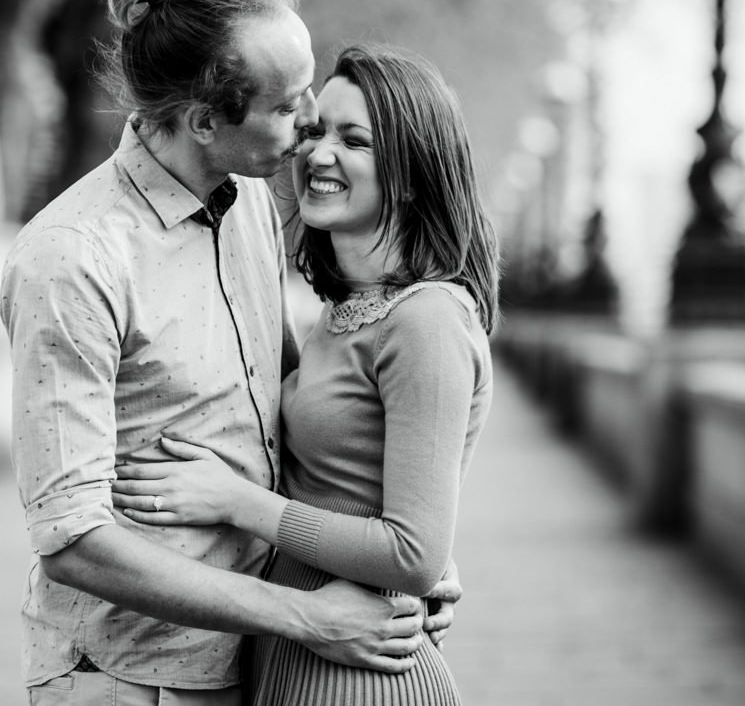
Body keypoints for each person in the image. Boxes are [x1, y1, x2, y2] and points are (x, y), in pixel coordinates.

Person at [0, 0, 454, 706]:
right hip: (129, 680)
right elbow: (73, 541)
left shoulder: (245, 204)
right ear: (206, 120)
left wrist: (410, 557)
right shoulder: (71, 258)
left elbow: (290, 414)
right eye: (286, 105)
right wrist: (306, 616)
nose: (310, 124)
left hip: (263, 665)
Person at [111, 44, 500, 705]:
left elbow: (412, 552)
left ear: (411, 172)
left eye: (355, 140)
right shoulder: (346, 311)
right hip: (301, 654)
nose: (319, 154)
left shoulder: (427, 319)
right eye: (317, 130)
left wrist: (235, 501)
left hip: (360, 678)